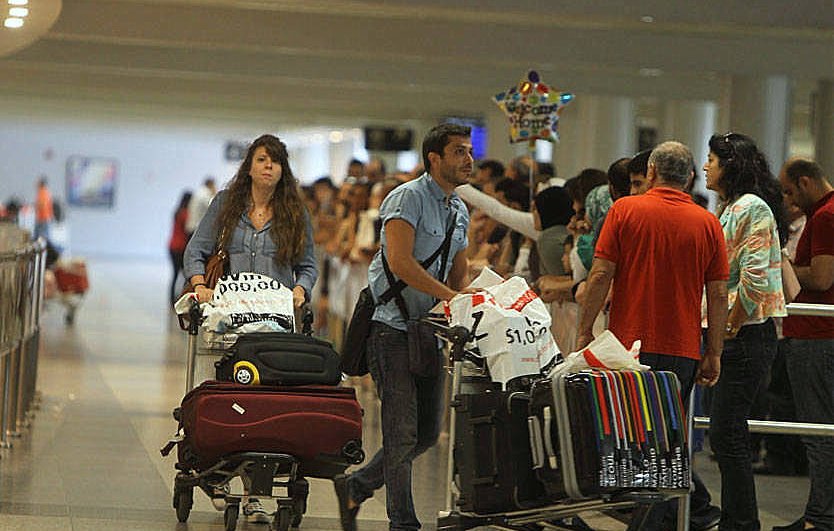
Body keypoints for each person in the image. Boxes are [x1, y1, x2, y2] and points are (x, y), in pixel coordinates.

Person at [576, 141, 728, 531]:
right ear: (690, 178)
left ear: (654, 172)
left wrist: (583, 330)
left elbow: (600, 274)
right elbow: (718, 293)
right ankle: (658, 521)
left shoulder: (625, 210)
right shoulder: (707, 223)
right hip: (682, 350)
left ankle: (644, 522)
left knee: (628, 440)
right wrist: (713, 352)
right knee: (666, 441)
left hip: (628, 347)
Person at [333, 123, 472, 531]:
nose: (469, 159)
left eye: (469, 151)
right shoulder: (406, 198)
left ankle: (357, 484)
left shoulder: (458, 210)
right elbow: (400, 262)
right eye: (460, 152)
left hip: (428, 331)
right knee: (401, 429)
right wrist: (450, 296)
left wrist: (477, 296)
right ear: (435, 158)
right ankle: (403, 522)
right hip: (390, 327)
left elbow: (458, 271)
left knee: (427, 431)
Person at [183, 134, 317, 522]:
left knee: (264, 406)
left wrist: (300, 289)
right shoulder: (227, 205)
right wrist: (199, 286)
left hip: (274, 325)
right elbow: (196, 251)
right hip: (228, 319)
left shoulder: (294, 211)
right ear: (250, 166)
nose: (268, 166)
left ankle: (256, 492)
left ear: (283, 168)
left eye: (275, 160)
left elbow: (308, 264)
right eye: (262, 159)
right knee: (225, 395)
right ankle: (218, 472)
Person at [703, 132, 787, 531]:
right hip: (740, 333)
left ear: (730, 166)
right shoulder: (734, 207)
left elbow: (753, 277)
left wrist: (731, 324)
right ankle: (738, 520)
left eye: (712, 160)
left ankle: (741, 522)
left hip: (747, 334)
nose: (706, 167)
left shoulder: (750, 207)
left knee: (727, 433)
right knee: (726, 433)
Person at [776, 157, 834, 531]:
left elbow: (821, 276)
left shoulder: (826, 217)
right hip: (817, 335)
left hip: (816, 336)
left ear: (806, 182)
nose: (788, 200)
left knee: (819, 431)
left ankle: (821, 517)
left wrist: (781, 266)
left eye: (788, 190)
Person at [168, 191, 192, 305]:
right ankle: (182, 298)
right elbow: (189, 229)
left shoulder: (177, 212)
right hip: (180, 247)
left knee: (175, 274)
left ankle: (172, 298)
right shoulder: (185, 213)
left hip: (172, 246)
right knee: (186, 275)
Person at [34, 177, 54, 241]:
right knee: (44, 236)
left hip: (42, 218)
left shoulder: (42, 192)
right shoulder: (46, 192)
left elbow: (42, 205)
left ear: (40, 184)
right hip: (46, 218)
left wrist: (35, 206)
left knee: (41, 237)